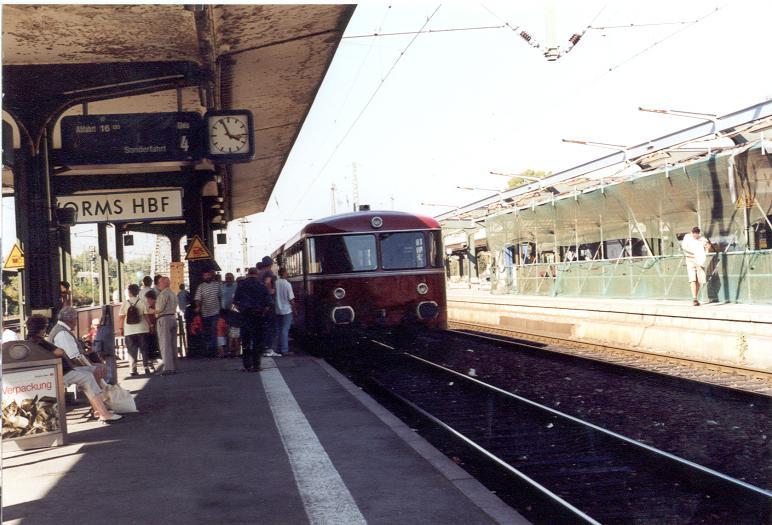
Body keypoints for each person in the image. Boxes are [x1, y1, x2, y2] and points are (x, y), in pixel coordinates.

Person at [41, 311, 121, 423]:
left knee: (96, 370)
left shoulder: (59, 330)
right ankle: (103, 412)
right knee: (91, 374)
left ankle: (98, 409)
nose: (76, 323)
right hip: (63, 370)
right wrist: (92, 365)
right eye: (75, 319)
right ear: (71, 320)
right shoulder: (62, 333)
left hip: (62, 368)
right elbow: (75, 357)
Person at [233, 267, 272, 372]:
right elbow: (268, 303)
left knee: (245, 342)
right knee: (257, 342)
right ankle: (256, 365)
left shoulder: (241, 286)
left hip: (245, 317)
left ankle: (247, 365)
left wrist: (241, 310)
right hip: (258, 317)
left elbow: (235, 302)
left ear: (248, 274)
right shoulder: (262, 286)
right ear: (257, 274)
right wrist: (263, 312)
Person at [118, 283, 154, 376]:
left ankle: (133, 369)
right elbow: (146, 315)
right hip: (142, 329)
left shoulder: (125, 303)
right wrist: (150, 325)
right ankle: (146, 367)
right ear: (138, 292)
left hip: (129, 330)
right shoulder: (142, 302)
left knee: (131, 351)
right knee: (144, 349)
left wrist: (121, 328)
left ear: (129, 292)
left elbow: (121, 317)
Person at [194, 268, 222, 357]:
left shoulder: (217, 285)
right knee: (207, 331)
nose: (207, 277)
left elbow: (221, 297)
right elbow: (198, 298)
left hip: (216, 311)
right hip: (205, 312)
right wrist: (198, 306)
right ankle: (209, 349)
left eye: (208, 275)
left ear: (211, 275)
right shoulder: (201, 287)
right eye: (205, 275)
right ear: (203, 277)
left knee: (214, 329)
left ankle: (214, 349)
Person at [681, 226, 712, 306]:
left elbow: (707, 247)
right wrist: (696, 252)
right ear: (691, 233)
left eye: (697, 234)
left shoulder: (702, 239)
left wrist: (707, 248)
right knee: (692, 279)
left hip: (699, 261)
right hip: (690, 260)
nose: (695, 236)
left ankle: (695, 298)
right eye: (694, 234)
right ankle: (694, 298)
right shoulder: (687, 237)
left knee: (699, 279)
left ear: (699, 234)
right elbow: (684, 247)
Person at [155, 276, 178, 375]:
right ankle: (174, 366)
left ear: (164, 283)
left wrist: (151, 310)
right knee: (173, 344)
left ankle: (168, 368)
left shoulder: (163, 294)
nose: (158, 284)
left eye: (160, 282)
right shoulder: (173, 293)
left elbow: (159, 308)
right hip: (173, 317)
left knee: (165, 344)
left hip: (164, 319)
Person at [257, 256, 278, 356]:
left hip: (260, 302)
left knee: (263, 326)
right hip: (268, 302)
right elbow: (268, 282)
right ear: (270, 264)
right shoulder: (268, 272)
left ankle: (264, 348)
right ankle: (269, 349)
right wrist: (270, 291)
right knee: (271, 325)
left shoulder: (259, 273)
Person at [273, 267, 295, 356]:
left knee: (278, 330)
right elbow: (291, 299)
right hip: (286, 310)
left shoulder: (275, 283)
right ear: (284, 273)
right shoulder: (287, 284)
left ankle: (278, 348)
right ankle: (284, 350)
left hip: (277, 309)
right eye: (286, 272)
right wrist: (295, 309)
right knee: (285, 330)